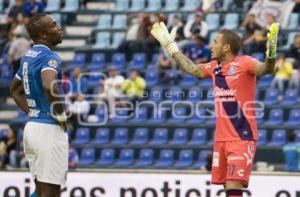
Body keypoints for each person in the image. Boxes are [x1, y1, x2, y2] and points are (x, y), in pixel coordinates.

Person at [151, 21, 279, 196]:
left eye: (216, 42)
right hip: (221, 139)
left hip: (242, 136)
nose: (212, 46)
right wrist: (172, 48)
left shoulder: (245, 63)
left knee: (234, 187)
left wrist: (271, 54)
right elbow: (193, 69)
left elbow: (266, 69)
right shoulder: (214, 67)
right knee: (228, 189)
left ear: (226, 47)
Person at [10, 13, 68, 197]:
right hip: (48, 131)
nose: (58, 28)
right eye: (53, 25)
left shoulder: (28, 57)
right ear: (43, 34)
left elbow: (14, 91)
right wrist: (59, 113)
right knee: (51, 193)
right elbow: (47, 83)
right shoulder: (50, 58)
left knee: (40, 190)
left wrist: (33, 113)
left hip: (33, 126)